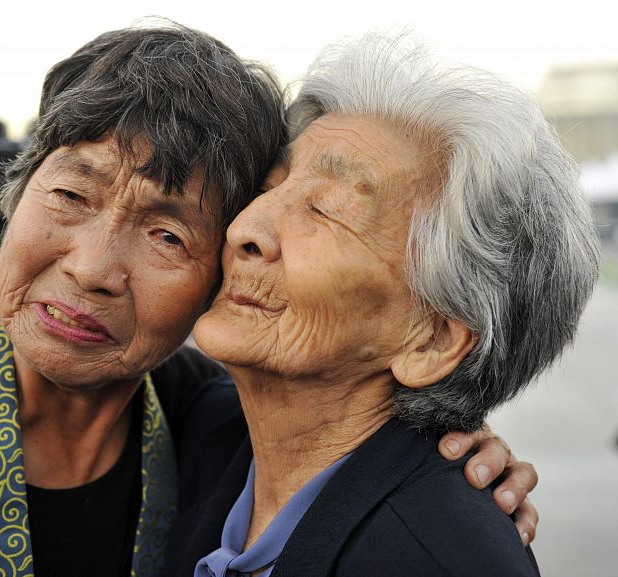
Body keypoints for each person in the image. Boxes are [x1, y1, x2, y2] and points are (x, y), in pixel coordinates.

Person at [0, 24, 537, 577]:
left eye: (167, 235)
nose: (92, 269)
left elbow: (347, 430)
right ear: (17, 192)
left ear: (218, 270)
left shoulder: (212, 428)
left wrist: (441, 449)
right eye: (70, 194)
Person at [166, 33, 600, 577]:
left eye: (325, 210)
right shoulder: (198, 434)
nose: (243, 228)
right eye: (270, 187)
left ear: (432, 341)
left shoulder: (443, 562)